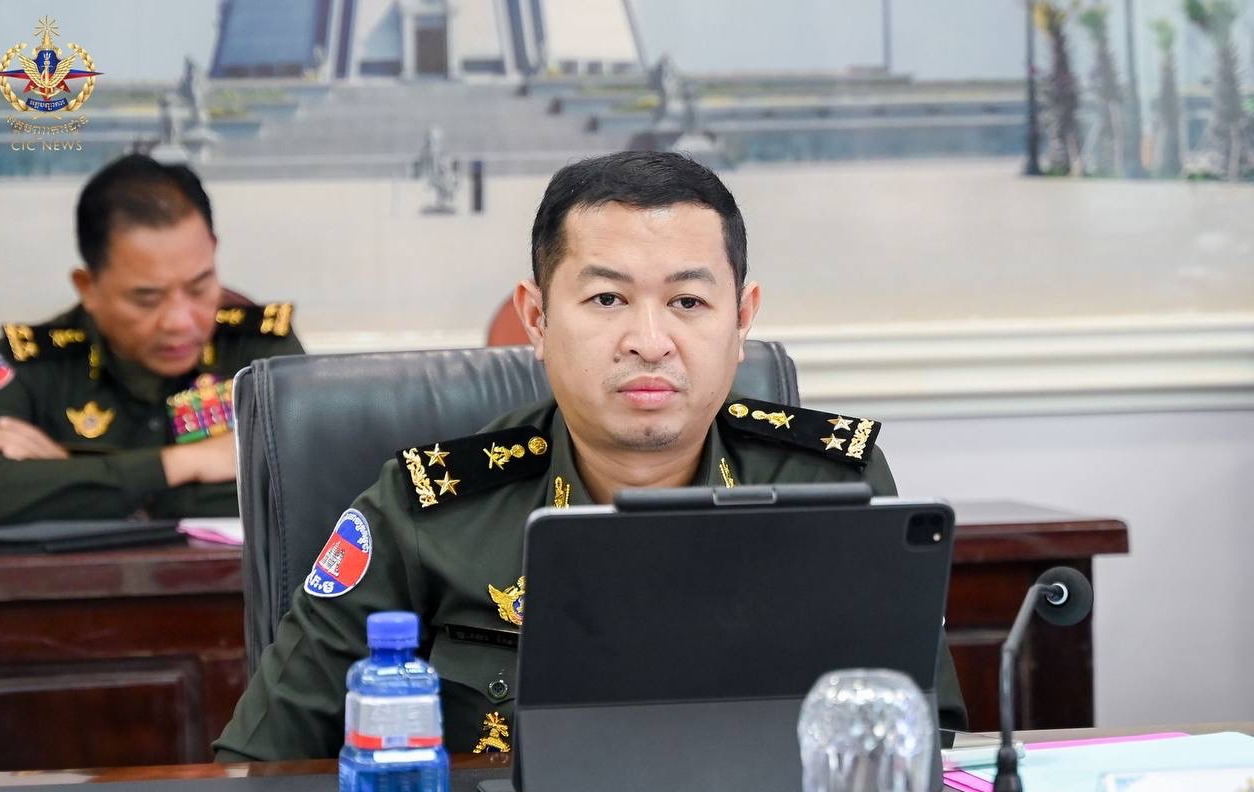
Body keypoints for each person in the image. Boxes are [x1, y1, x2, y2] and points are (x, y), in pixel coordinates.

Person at [214, 151, 965, 760]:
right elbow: (259, 764)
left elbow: (926, 740)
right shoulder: (427, 512)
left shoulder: (835, 485)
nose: (649, 341)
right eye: (607, 300)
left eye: (689, 302)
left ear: (743, 320)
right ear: (537, 318)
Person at [0, 154, 303, 526]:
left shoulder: (261, 354)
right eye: (147, 299)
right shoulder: (31, 365)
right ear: (88, 287)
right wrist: (187, 463)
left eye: (199, 288)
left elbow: (306, 488)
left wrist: (75, 482)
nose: (180, 322)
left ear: (213, 251)